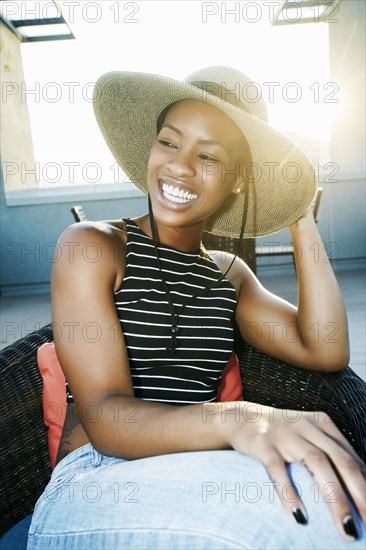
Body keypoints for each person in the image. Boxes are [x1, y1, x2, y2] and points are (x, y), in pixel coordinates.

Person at [27, 66, 365, 549]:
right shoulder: (93, 246)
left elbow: (326, 349)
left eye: (207, 156)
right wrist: (237, 418)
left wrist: (297, 212)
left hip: (196, 467)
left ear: (238, 182)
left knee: (331, 508)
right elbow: (105, 417)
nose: (180, 166)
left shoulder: (229, 275)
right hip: (96, 481)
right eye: (169, 142)